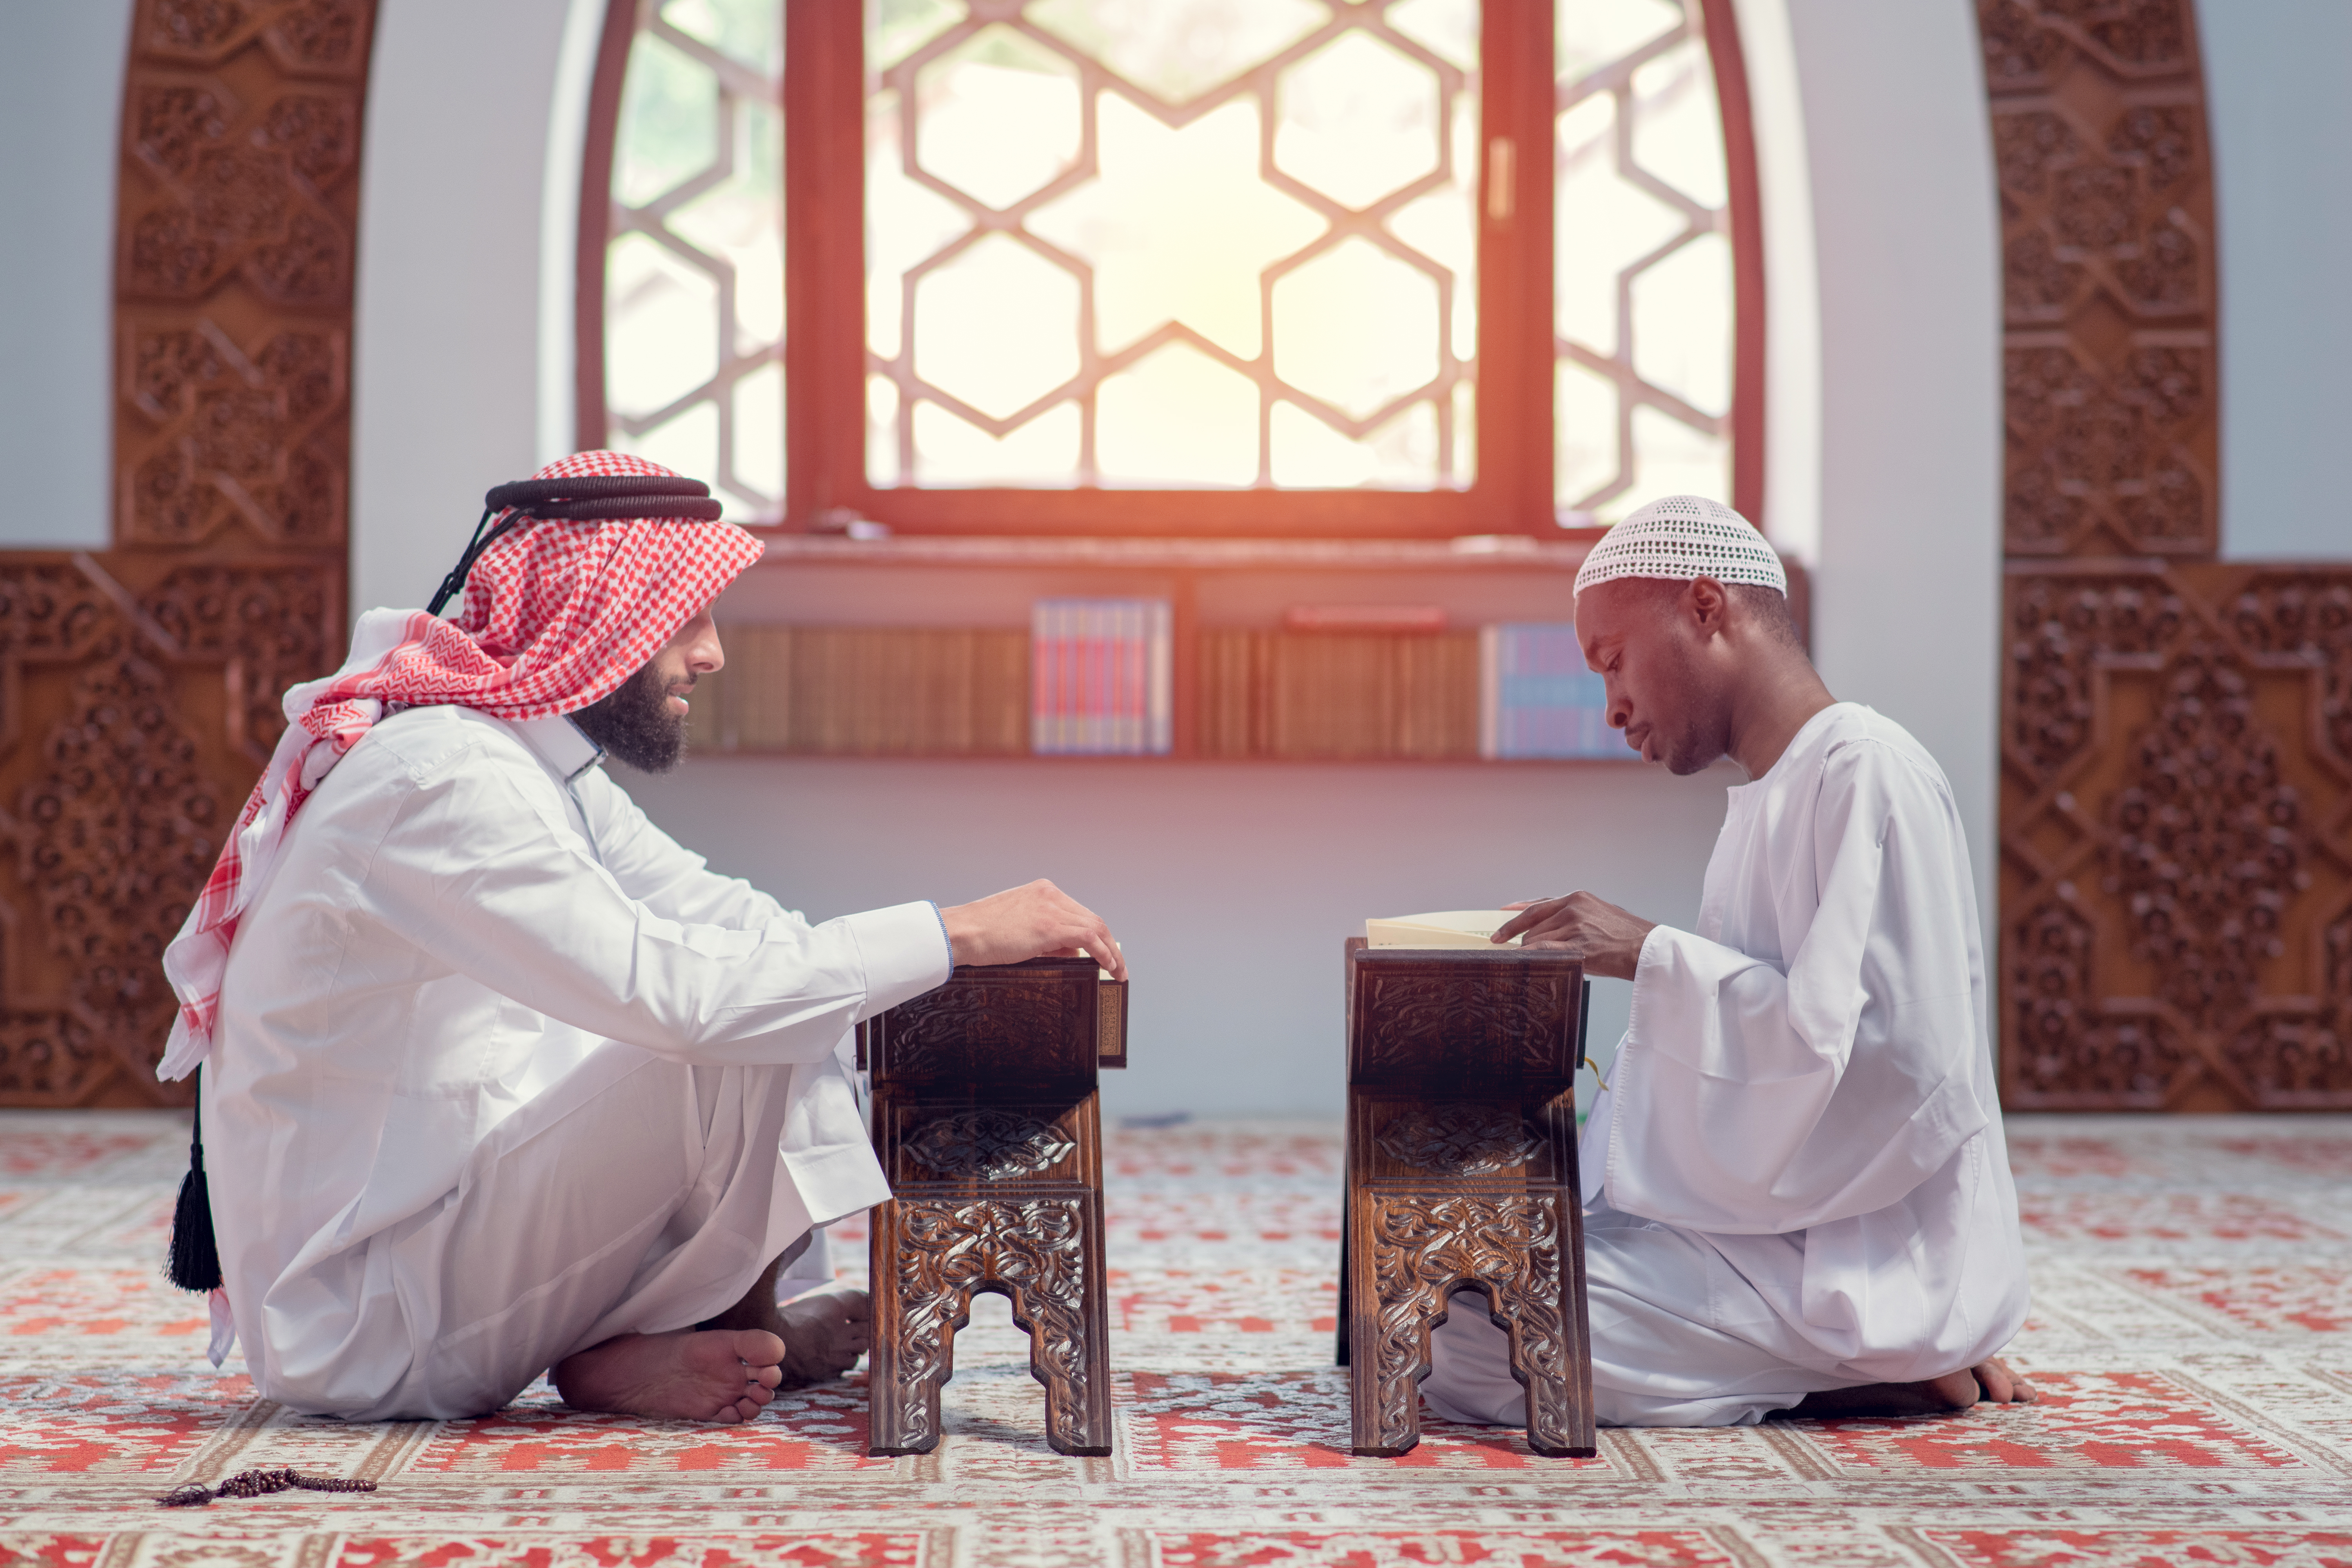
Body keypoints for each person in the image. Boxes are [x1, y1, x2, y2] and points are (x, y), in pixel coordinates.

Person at [156, 451, 1125, 1426]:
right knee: (743, 1020)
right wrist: (952, 932)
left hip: (437, 1233)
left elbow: (735, 922)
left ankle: (638, 1340)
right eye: (687, 616)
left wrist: (958, 942)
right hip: (369, 1322)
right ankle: (705, 1323)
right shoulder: (446, 782)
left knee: (785, 985)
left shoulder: (529, 762)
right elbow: (695, 996)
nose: (710, 654)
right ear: (597, 614)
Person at [1418, 495, 2033, 1428]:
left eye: (1614, 660)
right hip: (1774, 1237)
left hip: (1858, 1259)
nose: (1614, 706)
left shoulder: (1866, 768)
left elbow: (1900, 1063)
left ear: (1707, 606)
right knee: (1442, 1281)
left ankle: (1876, 1358)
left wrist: (1648, 953)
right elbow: (1776, 1040)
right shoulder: (1769, 797)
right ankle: (1853, 1365)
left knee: (1469, 1332)